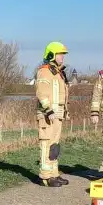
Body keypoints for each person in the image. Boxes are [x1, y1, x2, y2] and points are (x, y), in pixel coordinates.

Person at [34, 41, 70, 187]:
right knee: (46, 144)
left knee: (54, 146)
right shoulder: (44, 71)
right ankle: (45, 176)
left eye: (63, 54)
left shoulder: (58, 73)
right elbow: (41, 92)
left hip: (58, 114)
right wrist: (48, 109)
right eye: (60, 54)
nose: (62, 57)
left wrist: (65, 111)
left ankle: (54, 174)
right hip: (47, 115)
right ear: (51, 55)